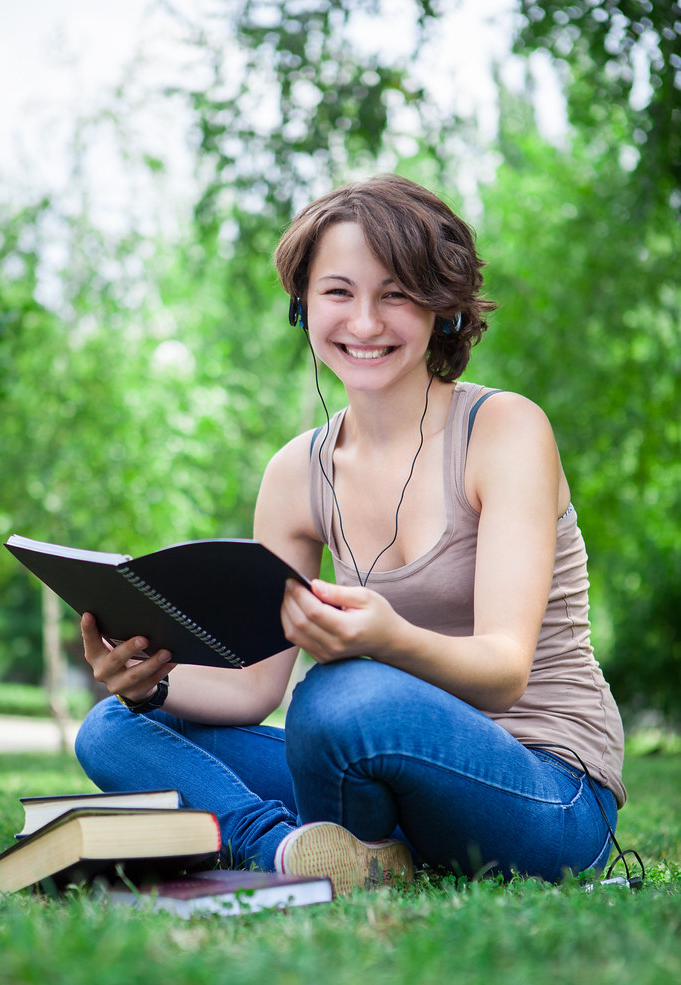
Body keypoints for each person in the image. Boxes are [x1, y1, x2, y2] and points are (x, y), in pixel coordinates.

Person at [75, 175, 626, 895]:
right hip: (380, 780)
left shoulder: (503, 430)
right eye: (338, 292)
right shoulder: (294, 473)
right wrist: (152, 682)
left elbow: (503, 671)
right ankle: (296, 851)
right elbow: (251, 690)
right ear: (303, 307)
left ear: (444, 308)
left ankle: (347, 845)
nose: (364, 322)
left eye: (395, 293)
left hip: (545, 788)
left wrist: (385, 638)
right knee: (114, 727)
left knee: (342, 697)